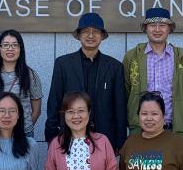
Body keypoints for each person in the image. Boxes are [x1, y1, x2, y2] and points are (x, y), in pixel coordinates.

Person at [44, 13, 127, 151]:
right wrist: (52, 136)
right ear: (79, 35)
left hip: (105, 138)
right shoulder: (63, 64)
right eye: (86, 31)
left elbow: (120, 108)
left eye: (96, 31)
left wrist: (120, 141)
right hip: (69, 137)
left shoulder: (115, 67)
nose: (91, 35)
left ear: (102, 36)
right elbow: (54, 101)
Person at [122, 8, 183, 138]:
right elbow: (127, 90)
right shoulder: (132, 57)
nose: (157, 29)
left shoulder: (181, 57)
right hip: (140, 130)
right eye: (152, 25)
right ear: (145, 28)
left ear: (169, 28)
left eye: (162, 25)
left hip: (174, 130)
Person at [0, 30, 44, 138]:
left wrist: (24, 128)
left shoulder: (30, 75)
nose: (10, 49)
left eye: (15, 45)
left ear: (20, 49)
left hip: (23, 134)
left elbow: (36, 111)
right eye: (6, 45)